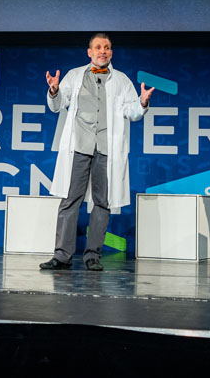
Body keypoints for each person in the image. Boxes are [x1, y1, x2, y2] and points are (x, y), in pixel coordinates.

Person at [39, 33, 154, 271]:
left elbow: (131, 112)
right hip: (79, 147)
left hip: (106, 149)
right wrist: (54, 90)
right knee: (70, 200)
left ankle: (93, 255)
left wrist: (142, 103)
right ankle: (62, 255)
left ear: (111, 53)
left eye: (107, 47)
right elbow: (58, 104)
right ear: (89, 52)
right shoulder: (75, 76)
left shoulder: (121, 80)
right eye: (98, 47)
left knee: (102, 202)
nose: (103, 51)